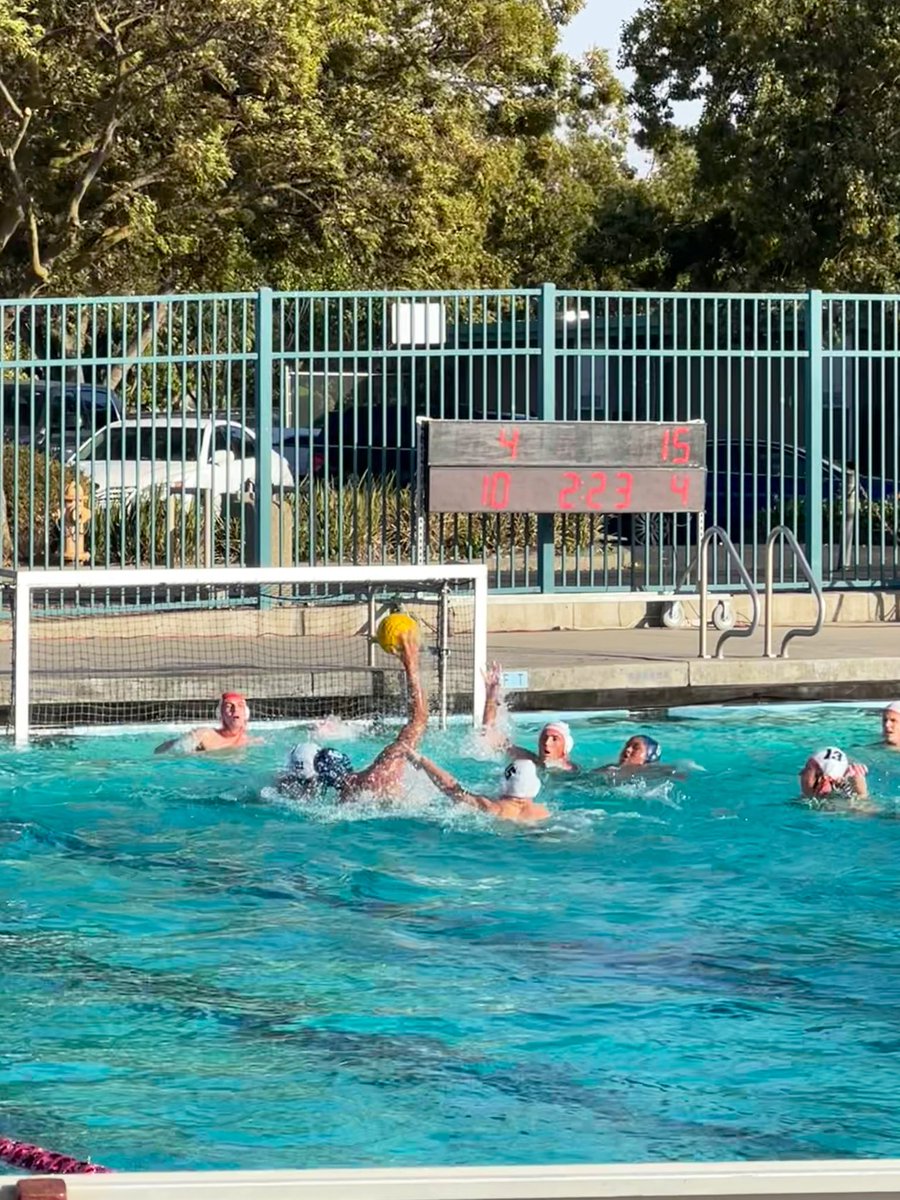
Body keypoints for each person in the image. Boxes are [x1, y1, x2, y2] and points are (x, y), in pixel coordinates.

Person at [311, 630, 427, 801]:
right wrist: (411, 665)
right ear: (345, 761)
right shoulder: (383, 770)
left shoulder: (342, 802)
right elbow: (419, 719)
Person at [481, 661, 577, 771]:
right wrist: (491, 698)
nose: (547, 743)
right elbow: (489, 734)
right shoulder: (529, 761)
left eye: (554, 739)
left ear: (565, 748)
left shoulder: (572, 772)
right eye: (544, 738)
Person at [407, 751, 549, 823]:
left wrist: (423, 762)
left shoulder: (493, 808)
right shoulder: (543, 812)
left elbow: (451, 788)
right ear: (534, 786)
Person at [155, 691, 258, 754]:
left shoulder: (254, 742)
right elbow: (167, 752)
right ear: (220, 714)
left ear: (246, 713)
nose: (235, 710)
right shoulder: (204, 736)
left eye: (240, 706)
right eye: (228, 706)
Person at [799, 746, 870, 808]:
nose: (801, 773)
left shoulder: (835, 809)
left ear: (823, 778)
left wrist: (861, 794)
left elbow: (866, 814)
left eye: (807, 768)